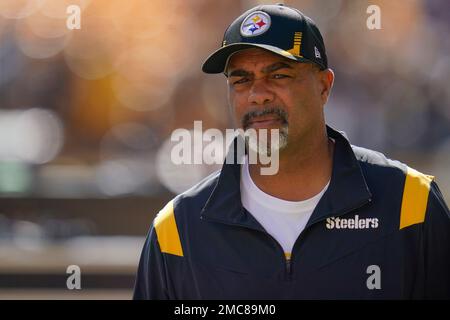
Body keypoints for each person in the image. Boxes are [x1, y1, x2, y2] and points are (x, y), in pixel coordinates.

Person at [133, 4, 450, 299]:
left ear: (324, 86)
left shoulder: (410, 204)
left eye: (279, 75)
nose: (257, 95)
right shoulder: (178, 229)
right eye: (241, 80)